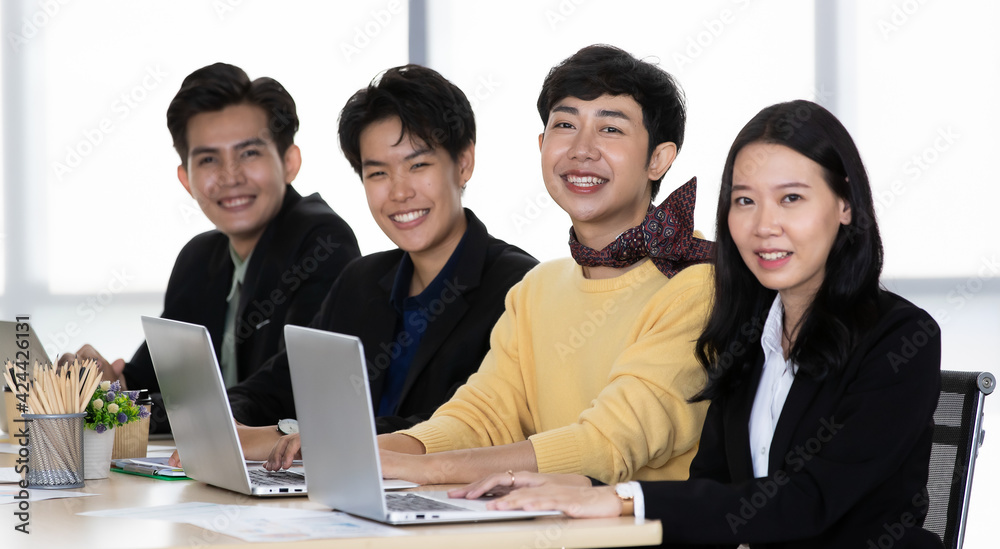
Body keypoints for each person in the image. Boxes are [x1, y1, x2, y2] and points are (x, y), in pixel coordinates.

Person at [455, 100, 944, 548]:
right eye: (745, 200)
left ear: (846, 206)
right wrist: (580, 488)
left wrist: (624, 499)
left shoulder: (901, 338)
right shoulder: (746, 332)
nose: (763, 225)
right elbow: (711, 490)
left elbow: (808, 501)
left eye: (791, 199)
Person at [363, 44, 715, 486]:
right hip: (539, 524)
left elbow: (606, 444)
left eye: (610, 128)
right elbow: (484, 415)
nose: (582, 149)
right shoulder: (538, 287)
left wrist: (426, 469)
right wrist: (371, 451)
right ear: (542, 145)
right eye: (565, 125)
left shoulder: (698, 284)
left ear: (659, 159)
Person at [228, 64, 538, 461]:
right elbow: (280, 382)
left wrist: (309, 436)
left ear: (463, 163)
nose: (400, 192)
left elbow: (457, 424)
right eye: (378, 173)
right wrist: (229, 420)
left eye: (418, 165)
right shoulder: (361, 280)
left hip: (444, 506)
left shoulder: (518, 287)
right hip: (341, 496)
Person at [60, 63, 361, 432]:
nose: (230, 176)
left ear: (289, 163)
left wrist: (133, 409)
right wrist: (110, 387)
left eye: (249, 153)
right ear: (187, 179)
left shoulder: (322, 241)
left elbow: (284, 392)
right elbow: (150, 381)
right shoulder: (199, 258)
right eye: (208, 159)